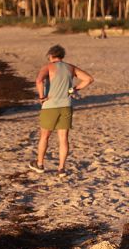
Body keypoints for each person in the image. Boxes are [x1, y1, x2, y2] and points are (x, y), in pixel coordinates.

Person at [30, 45, 94, 174]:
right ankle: (61, 169)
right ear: (62, 55)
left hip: (50, 105)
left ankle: (40, 164)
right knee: (63, 138)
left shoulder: (48, 67)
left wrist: (42, 96)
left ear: (50, 55)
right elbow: (89, 79)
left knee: (44, 136)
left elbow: (39, 80)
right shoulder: (70, 67)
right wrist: (74, 89)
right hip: (66, 106)